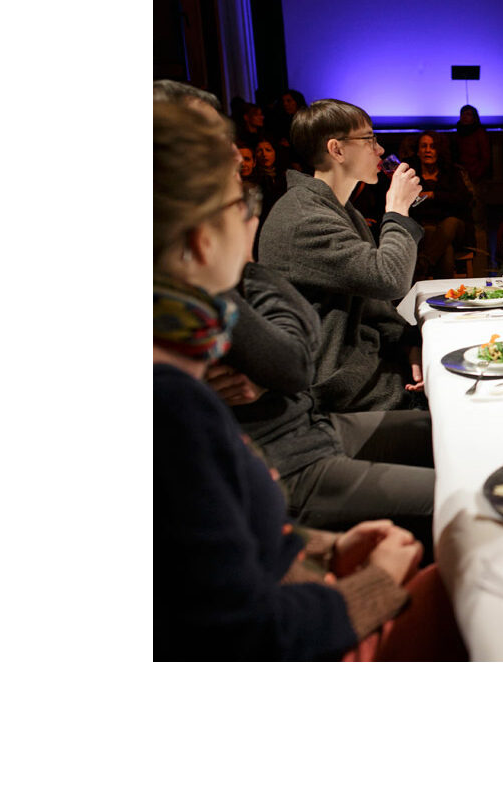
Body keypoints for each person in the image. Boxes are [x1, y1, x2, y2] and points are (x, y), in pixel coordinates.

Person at [152, 99, 424, 660]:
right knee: (470, 508)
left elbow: (237, 550)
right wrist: (375, 587)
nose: (254, 213)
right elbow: (240, 628)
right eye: (238, 204)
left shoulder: (192, 348)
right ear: (203, 240)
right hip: (307, 443)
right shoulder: (174, 399)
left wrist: (324, 548)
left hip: (307, 437)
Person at [209, 259, 437, 544]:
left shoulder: (223, 280)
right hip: (284, 462)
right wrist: (246, 265)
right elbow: (299, 366)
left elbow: (296, 356)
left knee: (450, 429)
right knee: (464, 500)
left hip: (311, 425)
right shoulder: (204, 289)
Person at [256, 99, 427, 413]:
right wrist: (397, 212)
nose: (379, 149)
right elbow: (389, 280)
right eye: (369, 139)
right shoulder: (303, 218)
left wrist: (409, 343)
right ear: (336, 149)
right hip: (339, 390)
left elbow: (374, 306)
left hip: (368, 367)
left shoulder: (337, 209)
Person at [408, 131, 476, 280]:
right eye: (424, 146)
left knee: (450, 223)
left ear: (438, 151)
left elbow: (463, 200)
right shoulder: (412, 177)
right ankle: (444, 293)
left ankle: (422, 264)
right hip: (426, 231)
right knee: (445, 247)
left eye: (432, 147)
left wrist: (432, 195)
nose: (428, 150)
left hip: (456, 229)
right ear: (418, 151)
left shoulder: (452, 172)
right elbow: (411, 207)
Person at [453, 104, 491, 184]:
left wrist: (477, 174)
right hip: (460, 175)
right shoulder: (458, 133)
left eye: (468, 114)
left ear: (474, 117)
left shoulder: (480, 133)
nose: (464, 117)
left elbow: (485, 158)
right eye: (463, 114)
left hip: (476, 175)